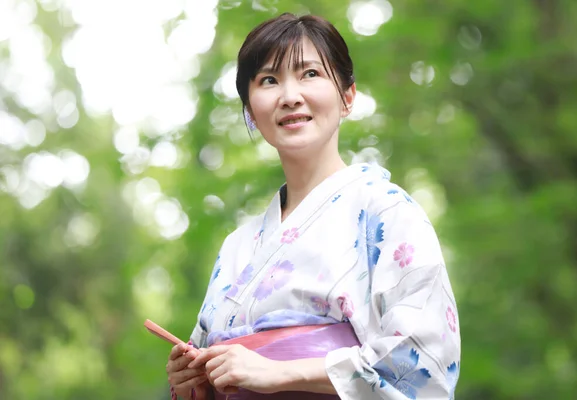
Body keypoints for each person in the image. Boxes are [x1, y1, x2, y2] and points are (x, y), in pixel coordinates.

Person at [165, 12, 460, 400]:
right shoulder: (237, 246)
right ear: (251, 110)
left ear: (347, 97)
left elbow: (423, 363)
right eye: (268, 80)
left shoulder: (387, 213)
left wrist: (283, 372)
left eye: (310, 74)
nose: (290, 96)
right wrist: (193, 380)